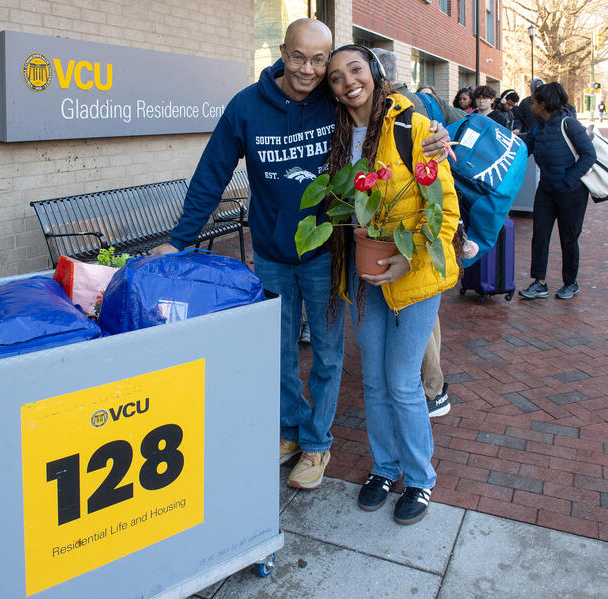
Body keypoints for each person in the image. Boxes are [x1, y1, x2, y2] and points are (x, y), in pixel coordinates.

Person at [151, 20, 450, 490]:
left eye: (319, 61)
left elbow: (383, 114)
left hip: (328, 254)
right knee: (281, 352)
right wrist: (180, 239)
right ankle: (290, 432)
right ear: (281, 52)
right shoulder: (246, 107)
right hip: (272, 252)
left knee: (329, 355)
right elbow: (211, 175)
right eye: (298, 57)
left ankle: (316, 443)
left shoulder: (334, 102)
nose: (309, 70)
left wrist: (434, 132)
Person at [325, 45, 460, 524]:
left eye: (355, 70)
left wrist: (409, 256)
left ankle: (420, 479)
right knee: (375, 380)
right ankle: (385, 468)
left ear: (375, 73)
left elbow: (443, 208)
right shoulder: (337, 137)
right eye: (336, 77)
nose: (347, 83)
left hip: (415, 274)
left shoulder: (414, 126)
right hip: (364, 274)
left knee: (403, 381)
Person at [371, 47, 466, 416]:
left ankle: (432, 388)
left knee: (415, 311)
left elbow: (438, 188)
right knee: (426, 313)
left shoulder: (407, 111)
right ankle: (434, 383)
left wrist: (439, 139)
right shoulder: (421, 101)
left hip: (414, 235)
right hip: (409, 235)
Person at [518, 82, 596, 301]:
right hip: (546, 189)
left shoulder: (569, 124)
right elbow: (525, 148)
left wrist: (568, 180)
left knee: (568, 238)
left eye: (533, 102)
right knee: (540, 235)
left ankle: (570, 283)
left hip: (571, 192)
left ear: (544, 104)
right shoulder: (538, 126)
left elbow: (589, 155)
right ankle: (539, 283)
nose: (530, 105)